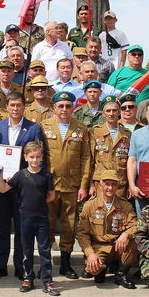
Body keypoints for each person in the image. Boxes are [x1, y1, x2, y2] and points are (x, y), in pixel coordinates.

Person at [0, 92, 45, 281]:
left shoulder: (34, 128)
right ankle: (1, 265)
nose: (15, 109)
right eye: (12, 105)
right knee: (3, 228)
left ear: (24, 107)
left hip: (24, 187)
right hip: (3, 185)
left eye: (19, 105)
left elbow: (41, 158)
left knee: (22, 229)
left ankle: (20, 266)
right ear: (7, 106)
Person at [39, 91, 92, 279]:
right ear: (54, 107)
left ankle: (65, 264)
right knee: (47, 224)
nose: (64, 109)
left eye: (68, 106)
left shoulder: (81, 128)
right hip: (49, 185)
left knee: (69, 227)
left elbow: (86, 158)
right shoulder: (44, 127)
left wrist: (84, 186)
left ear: (73, 108)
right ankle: (45, 265)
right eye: (60, 105)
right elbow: (38, 155)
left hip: (71, 185)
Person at [0, 141, 60, 296]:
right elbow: (3, 189)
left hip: (42, 218)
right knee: (27, 250)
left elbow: (51, 196)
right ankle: (28, 277)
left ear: (42, 158)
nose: (34, 160)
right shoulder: (20, 175)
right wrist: (0, 175)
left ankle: (47, 280)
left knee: (45, 250)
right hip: (25, 218)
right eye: (31, 157)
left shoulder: (46, 175)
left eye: (37, 157)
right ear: (25, 157)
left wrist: (38, 202)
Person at [77, 169, 138, 289]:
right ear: (100, 185)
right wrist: (90, 254)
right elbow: (82, 234)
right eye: (107, 184)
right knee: (95, 270)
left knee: (134, 242)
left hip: (118, 246)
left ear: (117, 186)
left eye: (114, 184)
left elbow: (135, 225)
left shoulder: (125, 205)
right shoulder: (90, 206)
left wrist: (125, 234)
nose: (110, 188)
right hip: (99, 247)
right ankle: (101, 268)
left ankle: (121, 274)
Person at [89, 99, 132, 198]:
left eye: (114, 110)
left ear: (119, 113)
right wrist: (90, 185)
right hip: (100, 182)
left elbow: (130, 161)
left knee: (118, 212)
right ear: (103, 114)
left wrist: (130, 185)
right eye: (108, 111)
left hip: (120, 182)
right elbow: (90, 160)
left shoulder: (127, 133)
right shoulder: (95, 132)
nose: (111, 113)